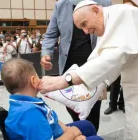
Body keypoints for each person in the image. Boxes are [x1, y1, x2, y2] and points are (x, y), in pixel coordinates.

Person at [39, 1, 138, 140]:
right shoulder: (107, 25)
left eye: (84, 24)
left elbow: (115, 56)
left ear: (96, 10)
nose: (85, 31)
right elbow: (98, 62)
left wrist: (64, 80)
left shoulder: (124, 14)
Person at [40, 0, 111, 131]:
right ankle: (81, 131)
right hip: (68, 66)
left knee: (93, 107)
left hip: (94, 66)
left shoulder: (103, 2)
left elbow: (111, 31)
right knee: (71, 104)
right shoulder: (61, 5)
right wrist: (46, 54)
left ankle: (91, 134)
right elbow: (50, 35)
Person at [1, 58, 103, 140]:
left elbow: (52, 119)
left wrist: (68, 131)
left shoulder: (27, 101)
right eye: (37, 76)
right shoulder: (29, 114)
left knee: (86, 125)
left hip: (53, 133)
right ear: (33, 81)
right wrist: (72, 135)